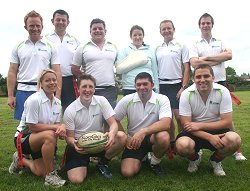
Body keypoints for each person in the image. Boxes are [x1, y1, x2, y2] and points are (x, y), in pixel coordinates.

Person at [189, 13, 246, 161]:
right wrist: (217, 59)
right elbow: (194, 64)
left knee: (226, 117)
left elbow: (229, 56)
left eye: (208, 23)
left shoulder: (220, 41)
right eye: (203, 23)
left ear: (212, 25)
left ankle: (236, 149)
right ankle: (198, 147)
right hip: (203, 82)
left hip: (220, 82)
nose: (205, 25)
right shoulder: (195, 43)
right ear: (199, 25)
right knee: (198, 116)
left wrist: (205, 60)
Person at [175, 64, 242, 176]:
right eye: (198, 77)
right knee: (182, 145)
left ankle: (215, 160)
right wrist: (209, 137)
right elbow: (186, 124)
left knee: (235, 139)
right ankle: (195, 158)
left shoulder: (223, 91)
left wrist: (200, 125)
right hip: (194, 132)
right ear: (193, 79)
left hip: (214, 129)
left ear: (213, 78)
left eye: (206, 76)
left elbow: (227, 121)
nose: (202, 80)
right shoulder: (186, 94)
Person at [63, 74, 126, 183]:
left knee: (121, 137)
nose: (87, 90)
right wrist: (74, 144)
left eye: (91, 87)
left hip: (99, 143)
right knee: (76, 180)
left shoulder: (101, 101)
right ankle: (83, 161)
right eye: (84, 86)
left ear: (94, 88)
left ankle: (102, 163)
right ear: (78, 89)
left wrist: (111, 134)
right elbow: (69, 138)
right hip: (80, 146)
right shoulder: (70, 110)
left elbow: (113, 124)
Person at [8, 69, 66, 187]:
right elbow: (33, 127)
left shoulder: (58, 103)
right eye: (47, 80)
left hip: (43, 139)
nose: (52, 82)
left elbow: (55, 127)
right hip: (23, 138)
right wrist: (56, 127)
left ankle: (20, 160)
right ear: (41, 83)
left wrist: (61, 130)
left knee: (40, 171)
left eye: (54, 80)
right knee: (49, 134)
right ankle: (50, 176)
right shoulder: (34, 100)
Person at [7, 10, 62, 121]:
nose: (35, 28)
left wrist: (58, 95)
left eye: (38, 25)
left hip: (44, 90)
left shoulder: (51, 46)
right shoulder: (18, 46)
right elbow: (12, 71)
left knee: (45, 124)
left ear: (42, 26)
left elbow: (57, 71)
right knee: (24, 127)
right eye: (31, 25)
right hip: (23, 90)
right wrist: (10, 95)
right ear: (25, 27)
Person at [114, 72, 172, 177]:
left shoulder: (162, 99)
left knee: (163, 136)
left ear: (152, 85)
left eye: (145, 84)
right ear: (135, 86)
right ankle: (143, 157)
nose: (142, 87)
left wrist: (143, 131)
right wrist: (126, 138)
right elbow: (114, 119)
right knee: (127, 173)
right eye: (138, 84)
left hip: (153, 138)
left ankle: (154, 163)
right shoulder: (127, 99)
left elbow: (166, 123)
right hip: (134, 141)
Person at [156, 20, 190, 150]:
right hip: (162, 86)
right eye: (163, 29)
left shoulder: (181, 45)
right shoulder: (157, 48)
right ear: (160, 31)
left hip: (177, 85)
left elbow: (187, 68)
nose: (166, 31)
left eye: (168, 28)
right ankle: (171, 144)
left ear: (173, 29)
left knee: (179, 117)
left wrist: (183, 87)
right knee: (167, 119)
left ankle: (182, 140)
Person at [71, 18, 117, 109]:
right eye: (94, 29)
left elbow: (118, 66)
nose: (97, 31)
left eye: (100, 28)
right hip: (90, 90)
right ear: (90, 31)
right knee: (91, 120)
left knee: (109, 120)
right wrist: (86, 79)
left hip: (110, 90)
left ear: (105, 31)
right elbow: (74, 68)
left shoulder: (113, 46)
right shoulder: (82, 47)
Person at [46, 9, 80, 112]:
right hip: (50, 80)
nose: (61, 22)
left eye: (63, 20)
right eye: (58, 19)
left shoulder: (75, 40)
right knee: (49, 110)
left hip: (70, 80)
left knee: (69, 111)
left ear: (68, 22)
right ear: (52, 21)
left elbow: (80, 61)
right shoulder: (45, 39)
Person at [116, 25, 159, 96]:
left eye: (140, 35)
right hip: (129, 87)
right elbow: (119, 69)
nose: (137, 37)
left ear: (143, 36)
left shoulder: (150, 51)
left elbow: (155, 71)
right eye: (135, 35)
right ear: (131, 37)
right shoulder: (124, 50)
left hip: (148, 87)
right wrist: (140, 61)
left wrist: (156, 89)